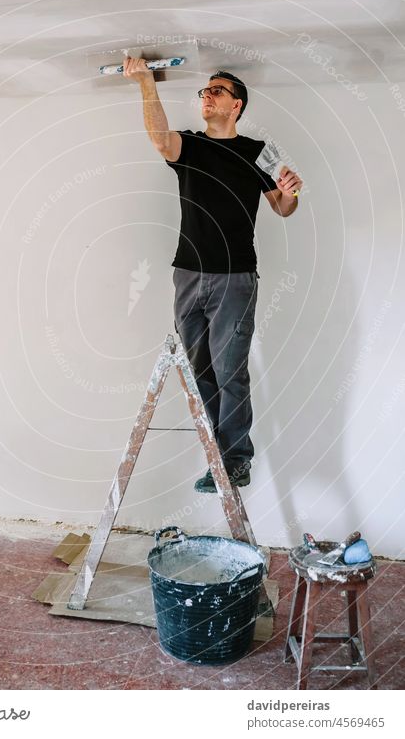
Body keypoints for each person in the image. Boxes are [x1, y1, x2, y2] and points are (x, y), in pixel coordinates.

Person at [123, 57, 303, 491]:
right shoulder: (188, 144)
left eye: (217, 91)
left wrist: (292, 192)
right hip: (187, 274)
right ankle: (216, 460)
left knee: (230, 369)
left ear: (236, 105)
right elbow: (159, 138)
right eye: (205, 91)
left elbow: (282, 207)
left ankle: (237, 459)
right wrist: (146, 83)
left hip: (235, 277)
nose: (207, 95)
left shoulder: (259, 152)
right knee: (199, 372)